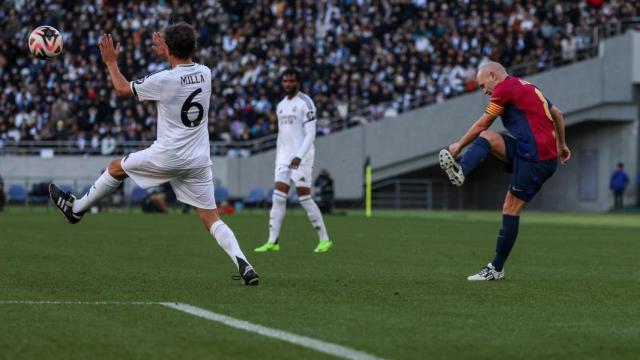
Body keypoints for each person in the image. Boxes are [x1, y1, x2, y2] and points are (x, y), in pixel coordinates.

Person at [48, 23, 259, 285]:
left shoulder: (164, 80)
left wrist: (111, 62)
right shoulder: (206, 73)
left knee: (115, 168)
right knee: (211, 218)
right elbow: (185, 71)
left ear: (169, 49)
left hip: (168, 156)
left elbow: (122, 89)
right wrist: (170, 54)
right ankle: (244, 264)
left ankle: (76, 209)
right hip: (198, 160)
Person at [439, 61, 571, 281]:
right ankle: (461, 170)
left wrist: (458, 145)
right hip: (527, 151)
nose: (484, 91)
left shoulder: (504, 89)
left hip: (536, 159)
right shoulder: (525, 85)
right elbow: (557, 113)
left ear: (493, 75)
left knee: (510, 207)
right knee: (487, 139)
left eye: (483, 85)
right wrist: (562, 145)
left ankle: (496, 269)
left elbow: (483, 122)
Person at [254, 69, 332, 253]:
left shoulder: (306, 102)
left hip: (302, 157)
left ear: (298, 82)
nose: (288, 84)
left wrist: (299, 155)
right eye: (285, 81)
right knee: (278, 198)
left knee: (304, 197)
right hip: (283, 157)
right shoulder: (281, 105)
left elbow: (311, 133)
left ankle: (324, 239)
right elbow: (282, 135)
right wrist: (279, 157)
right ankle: (272, 242)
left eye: (291, 81)